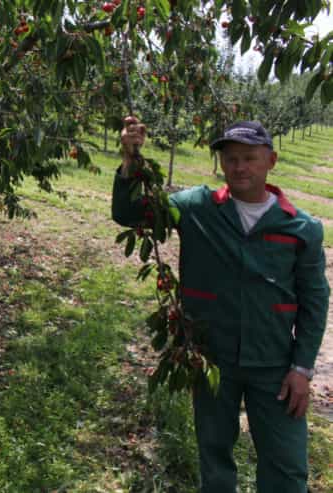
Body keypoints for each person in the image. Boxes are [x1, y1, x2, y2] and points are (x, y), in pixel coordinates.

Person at [112, 116, 330, 492]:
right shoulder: (196, 207)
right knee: (214, 457)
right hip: (212, 359)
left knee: (287, 467)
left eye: (250, 158)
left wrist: (302, 368)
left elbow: (315, 299)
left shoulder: (301, 228)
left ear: (271, 161)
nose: (239, 167)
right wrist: (131, 159)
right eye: (231, 159)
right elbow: (132, 213)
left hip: (275, 365)